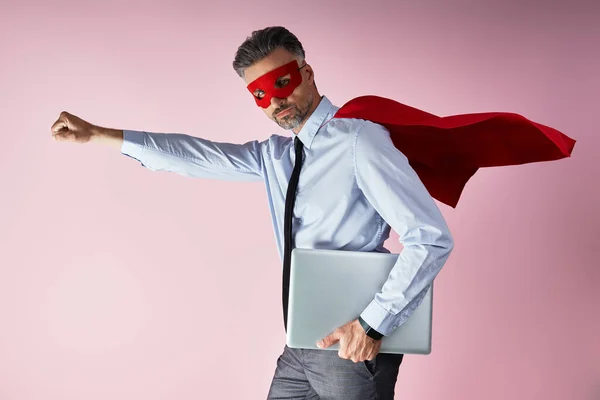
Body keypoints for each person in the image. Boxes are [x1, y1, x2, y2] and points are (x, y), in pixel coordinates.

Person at [51, 26, 454, 400]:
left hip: (350, 345)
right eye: (260, 94)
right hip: (301, 341)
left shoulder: (358, 139)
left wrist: (372, 324)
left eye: (282, 83)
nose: (275, 101)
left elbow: (430, 236)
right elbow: (196, 156)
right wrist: (100, 135)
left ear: (307, 73)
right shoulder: (275, 156)